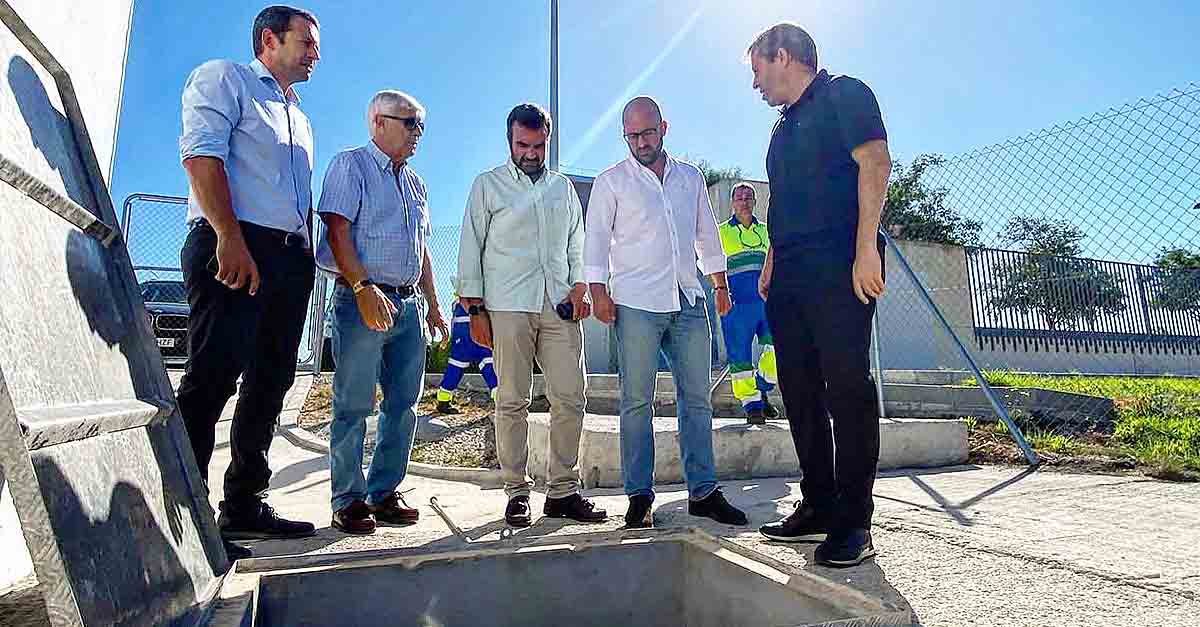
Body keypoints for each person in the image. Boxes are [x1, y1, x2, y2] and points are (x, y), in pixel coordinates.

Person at [177, 4, 321, 559]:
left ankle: (244, 505)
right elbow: (202, 156)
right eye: (306, 42)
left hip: (288, 260)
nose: (315, 54)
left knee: (270, 382)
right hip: (235, 245)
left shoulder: (297, 113)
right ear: (269, 40)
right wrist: (228, 238)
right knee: (213, 378)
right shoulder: (225, 79)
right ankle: (184, 517)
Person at [748, 23, 891, 567]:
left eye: (758, 70)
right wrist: (771, 259)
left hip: (840, 264)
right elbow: (783, 202)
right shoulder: (781, 129)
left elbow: (875, 162)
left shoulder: (844, 94)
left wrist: (865, 249)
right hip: (790, 274)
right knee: (800, 391)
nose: (756, 84)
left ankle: (855, 521)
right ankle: (819, 506)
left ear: (783, 57)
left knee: (847, 388)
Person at [585, 96, 748, 529]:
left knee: (697, 400)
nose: (640, 142)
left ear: (664, 128)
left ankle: (704, 491)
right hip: (636, 302)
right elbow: (596, 239)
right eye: (631, 135)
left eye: (647, 132)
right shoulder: (611, 181)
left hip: (689, 299)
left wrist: (719, 282)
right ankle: (639, 496)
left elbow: (705, 232)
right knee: (636, 402)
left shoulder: (689, 177)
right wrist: (598, 291)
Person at [456, 103, 606, 528]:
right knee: (512, 400)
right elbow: (471, 247)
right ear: (510, 141)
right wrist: (475, 310)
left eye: (539, 145)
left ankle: (562, 491)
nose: (532, 153)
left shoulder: (562, 189)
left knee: (570, 395)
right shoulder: (487, 186)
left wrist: (580, 284)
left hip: (559, 303)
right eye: (524, 144)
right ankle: (516, 491)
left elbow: (579, 242)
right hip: (507, 304)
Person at [315, 90, 447, 535]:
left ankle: (384, 492)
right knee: (353, 403)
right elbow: (337, 229)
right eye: (409, 123)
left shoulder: (415, 183)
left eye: (420, 125)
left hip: (408, 306)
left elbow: (421, 247)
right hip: (362, 301)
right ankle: (348, 498)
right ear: (377, 121)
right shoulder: (350, 166)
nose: (417, 134)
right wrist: (362, 287)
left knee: (403, 404)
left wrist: (432, 304)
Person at [717, 182, 779, 424]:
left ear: (754, 201)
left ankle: (763, 387)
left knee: (777, 349)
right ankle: (752, 406)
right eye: (739, 197)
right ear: (732, 202)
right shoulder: (721, 232)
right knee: (739, 357)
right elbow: (711, 265)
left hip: (767, 303)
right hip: (736, 305)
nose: (744, 201)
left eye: (748, 196)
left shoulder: (767, 232)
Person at [435, 296, 498, 414]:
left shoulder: (458, 302)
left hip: (464, 336)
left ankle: (443, 400)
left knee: (456, 367)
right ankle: (500, 401)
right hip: (477, 331)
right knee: (489, 366)